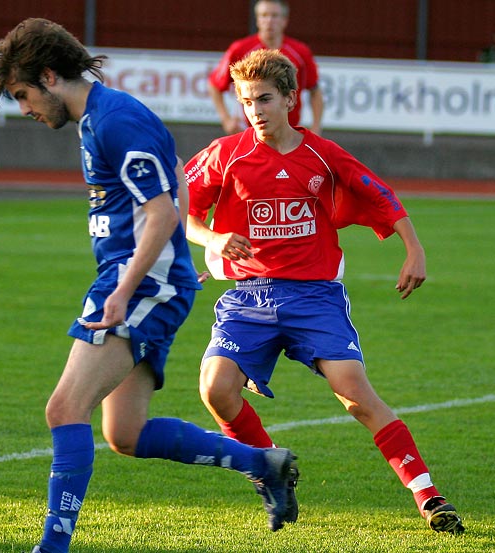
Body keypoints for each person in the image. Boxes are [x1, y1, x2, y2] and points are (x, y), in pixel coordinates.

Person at [0, 18, 299, 553]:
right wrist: (184, 254)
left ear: (49, 75)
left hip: (137, 285)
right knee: (124, 435)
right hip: (151, 281)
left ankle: (51, 548)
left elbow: (157, 213)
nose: (25, 109)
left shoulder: (113, 121)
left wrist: (128, 287)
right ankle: (263, 463)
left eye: (23, 95)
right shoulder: (101, 118)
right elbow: (175, 172)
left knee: (64, 410)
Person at [185, 48, 464, 535]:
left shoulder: (322, 153)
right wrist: (212, 237)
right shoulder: (226, 154)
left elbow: (380, 194)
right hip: (247, 297)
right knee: (215, 389)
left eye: (265, 99)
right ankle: (269, 468)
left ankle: (428, 495)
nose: (255, 111)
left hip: (314, 296)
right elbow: (178, 207)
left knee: (356, 397)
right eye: (247, 101)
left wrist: (413, 248)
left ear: (291, 98)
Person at [208, 0, 323, 136]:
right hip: (251, 132)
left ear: (284, 20)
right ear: (257, 20)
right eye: (264, 15)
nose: (269, 21)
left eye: (274, 16)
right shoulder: (240, 50)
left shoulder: (300, 53)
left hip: (289, 133)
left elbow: (315, 91)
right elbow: (215, 84)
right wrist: (226, 119)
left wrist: (316, 126)